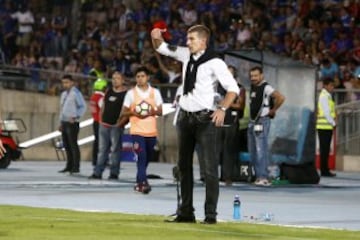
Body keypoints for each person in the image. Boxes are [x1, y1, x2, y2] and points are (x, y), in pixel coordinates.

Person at [151, 25, 239, 224]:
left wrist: (222, 109)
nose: (187, 42)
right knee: (183, 167)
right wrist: (155, 36)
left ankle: (210, 215)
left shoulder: (215, 62)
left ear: (203, 41)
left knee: (209, 170)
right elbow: (161, 47)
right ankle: (186, 212)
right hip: (185, 118)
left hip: (204, 120)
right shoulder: (185, 55)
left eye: (191, 39)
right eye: (187, 39)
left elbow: (233, 89)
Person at [121, 66, 163, 194]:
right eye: (138, 77)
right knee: (141, 157)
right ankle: (142, 183)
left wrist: (151, 111)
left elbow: (160, 111)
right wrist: (134, 113)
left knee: (148, 157)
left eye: (142, 76)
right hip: (137, 131)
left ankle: (139, 180)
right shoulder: (131, 93)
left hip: (151, 131)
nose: (140, 79)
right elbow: (124, 112)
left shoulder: (155, 92)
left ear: (147, 77)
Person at [248, 66, 285, 186]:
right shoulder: (254, 87)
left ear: (261, 76)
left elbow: (280, 97)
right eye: (252, 76)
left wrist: (273, 110)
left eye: (255, 75)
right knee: (253, 150)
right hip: (253, 121)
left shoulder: (266, 87)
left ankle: (263, 177)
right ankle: (258, 175)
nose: (253, 78)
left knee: (260, 150)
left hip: (261, 121)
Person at [89, 71, 128, 180]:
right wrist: (101, 120)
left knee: (115, 150)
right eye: (113, 78)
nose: (115, 80)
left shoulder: (126, 94)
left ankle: (114, 173)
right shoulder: (109, 91)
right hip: (104, 125)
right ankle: (97, 172)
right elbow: (103, 107)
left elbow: (126, 110)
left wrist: (120, 123)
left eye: (117, 78)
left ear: (123, 80)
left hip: (116, 126)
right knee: (102, 150)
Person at [218, 65, 246, 186]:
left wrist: (224, 103)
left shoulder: (239, 89)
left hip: (232, 122)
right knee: (216, 151)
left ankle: (228, 177)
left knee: (229, 151)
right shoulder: (218, 88)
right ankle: (218, 176)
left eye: (230, 73)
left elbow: (240, 106)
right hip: (218, 122)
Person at [58, 75, 87, 174]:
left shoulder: (76, 93)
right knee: (66, 145)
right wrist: (60, 122)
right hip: (64, 121)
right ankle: (69, 165)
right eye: (63, 82)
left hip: (72, 122)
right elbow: (62, 109)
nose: (65, 85)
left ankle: (76, 166)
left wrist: (76, 117)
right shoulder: (63, 94)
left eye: (67, 82)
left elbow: (82, 106)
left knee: (73, 144)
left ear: (72, 83)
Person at [316, 77, 336, 177]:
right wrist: (333, 123)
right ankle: (324, 170)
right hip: (325, 126)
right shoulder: (325, 96)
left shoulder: (326, 95)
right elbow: (327, 113)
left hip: (325, 126)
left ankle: (325, 169)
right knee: (325, 149)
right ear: (325, 85)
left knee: (326, 149)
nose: (332, 87)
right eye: (331, 85)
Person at [89, 79, 108, 166]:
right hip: (101, 122)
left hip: (95, 121)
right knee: (103, 142)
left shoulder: (93, 96)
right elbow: (104, 110)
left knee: (97, 141)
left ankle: (95, 160)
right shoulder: (101, 98)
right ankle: (101, 160)